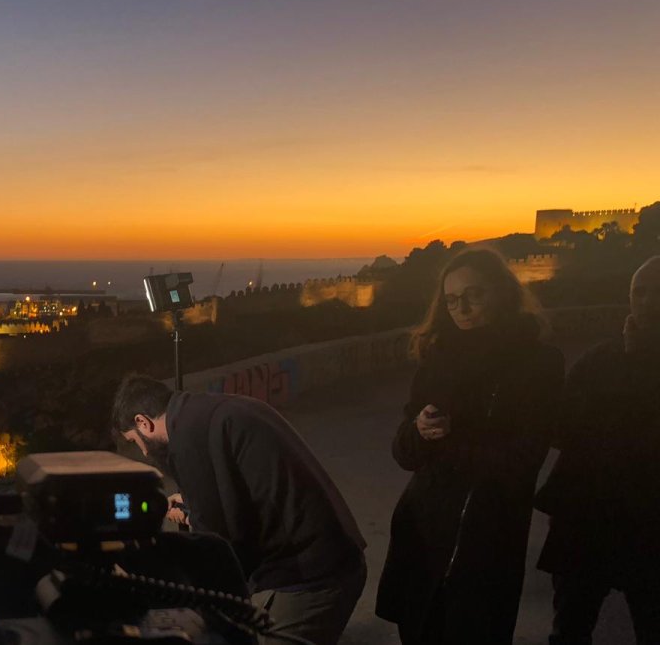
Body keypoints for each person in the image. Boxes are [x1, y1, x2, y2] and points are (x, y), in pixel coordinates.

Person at [375, 248, 565, 644]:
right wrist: (420, 431)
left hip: (487, 545)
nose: (461, 308)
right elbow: (403, 454)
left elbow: (522, 462)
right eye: (451, 300)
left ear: (502, 293)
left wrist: (450, 440)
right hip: (422, 540)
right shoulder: (437, 358)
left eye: (473, 295)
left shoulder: (540, 363)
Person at [112, 373, 367, 645]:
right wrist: (192, 508)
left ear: (143, 422)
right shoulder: (208, 412)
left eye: (135, 442)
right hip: (331, 558)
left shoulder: (188, 439)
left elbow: (221, 549)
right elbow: (239, 497)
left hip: (309, 577)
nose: (145, 453)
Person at [535, 255, 660, 644]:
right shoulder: (597, 362)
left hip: (651, 529)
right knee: (569, 630)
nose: (648, 301)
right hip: (586, 524)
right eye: (639, 292)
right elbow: (558, 429)